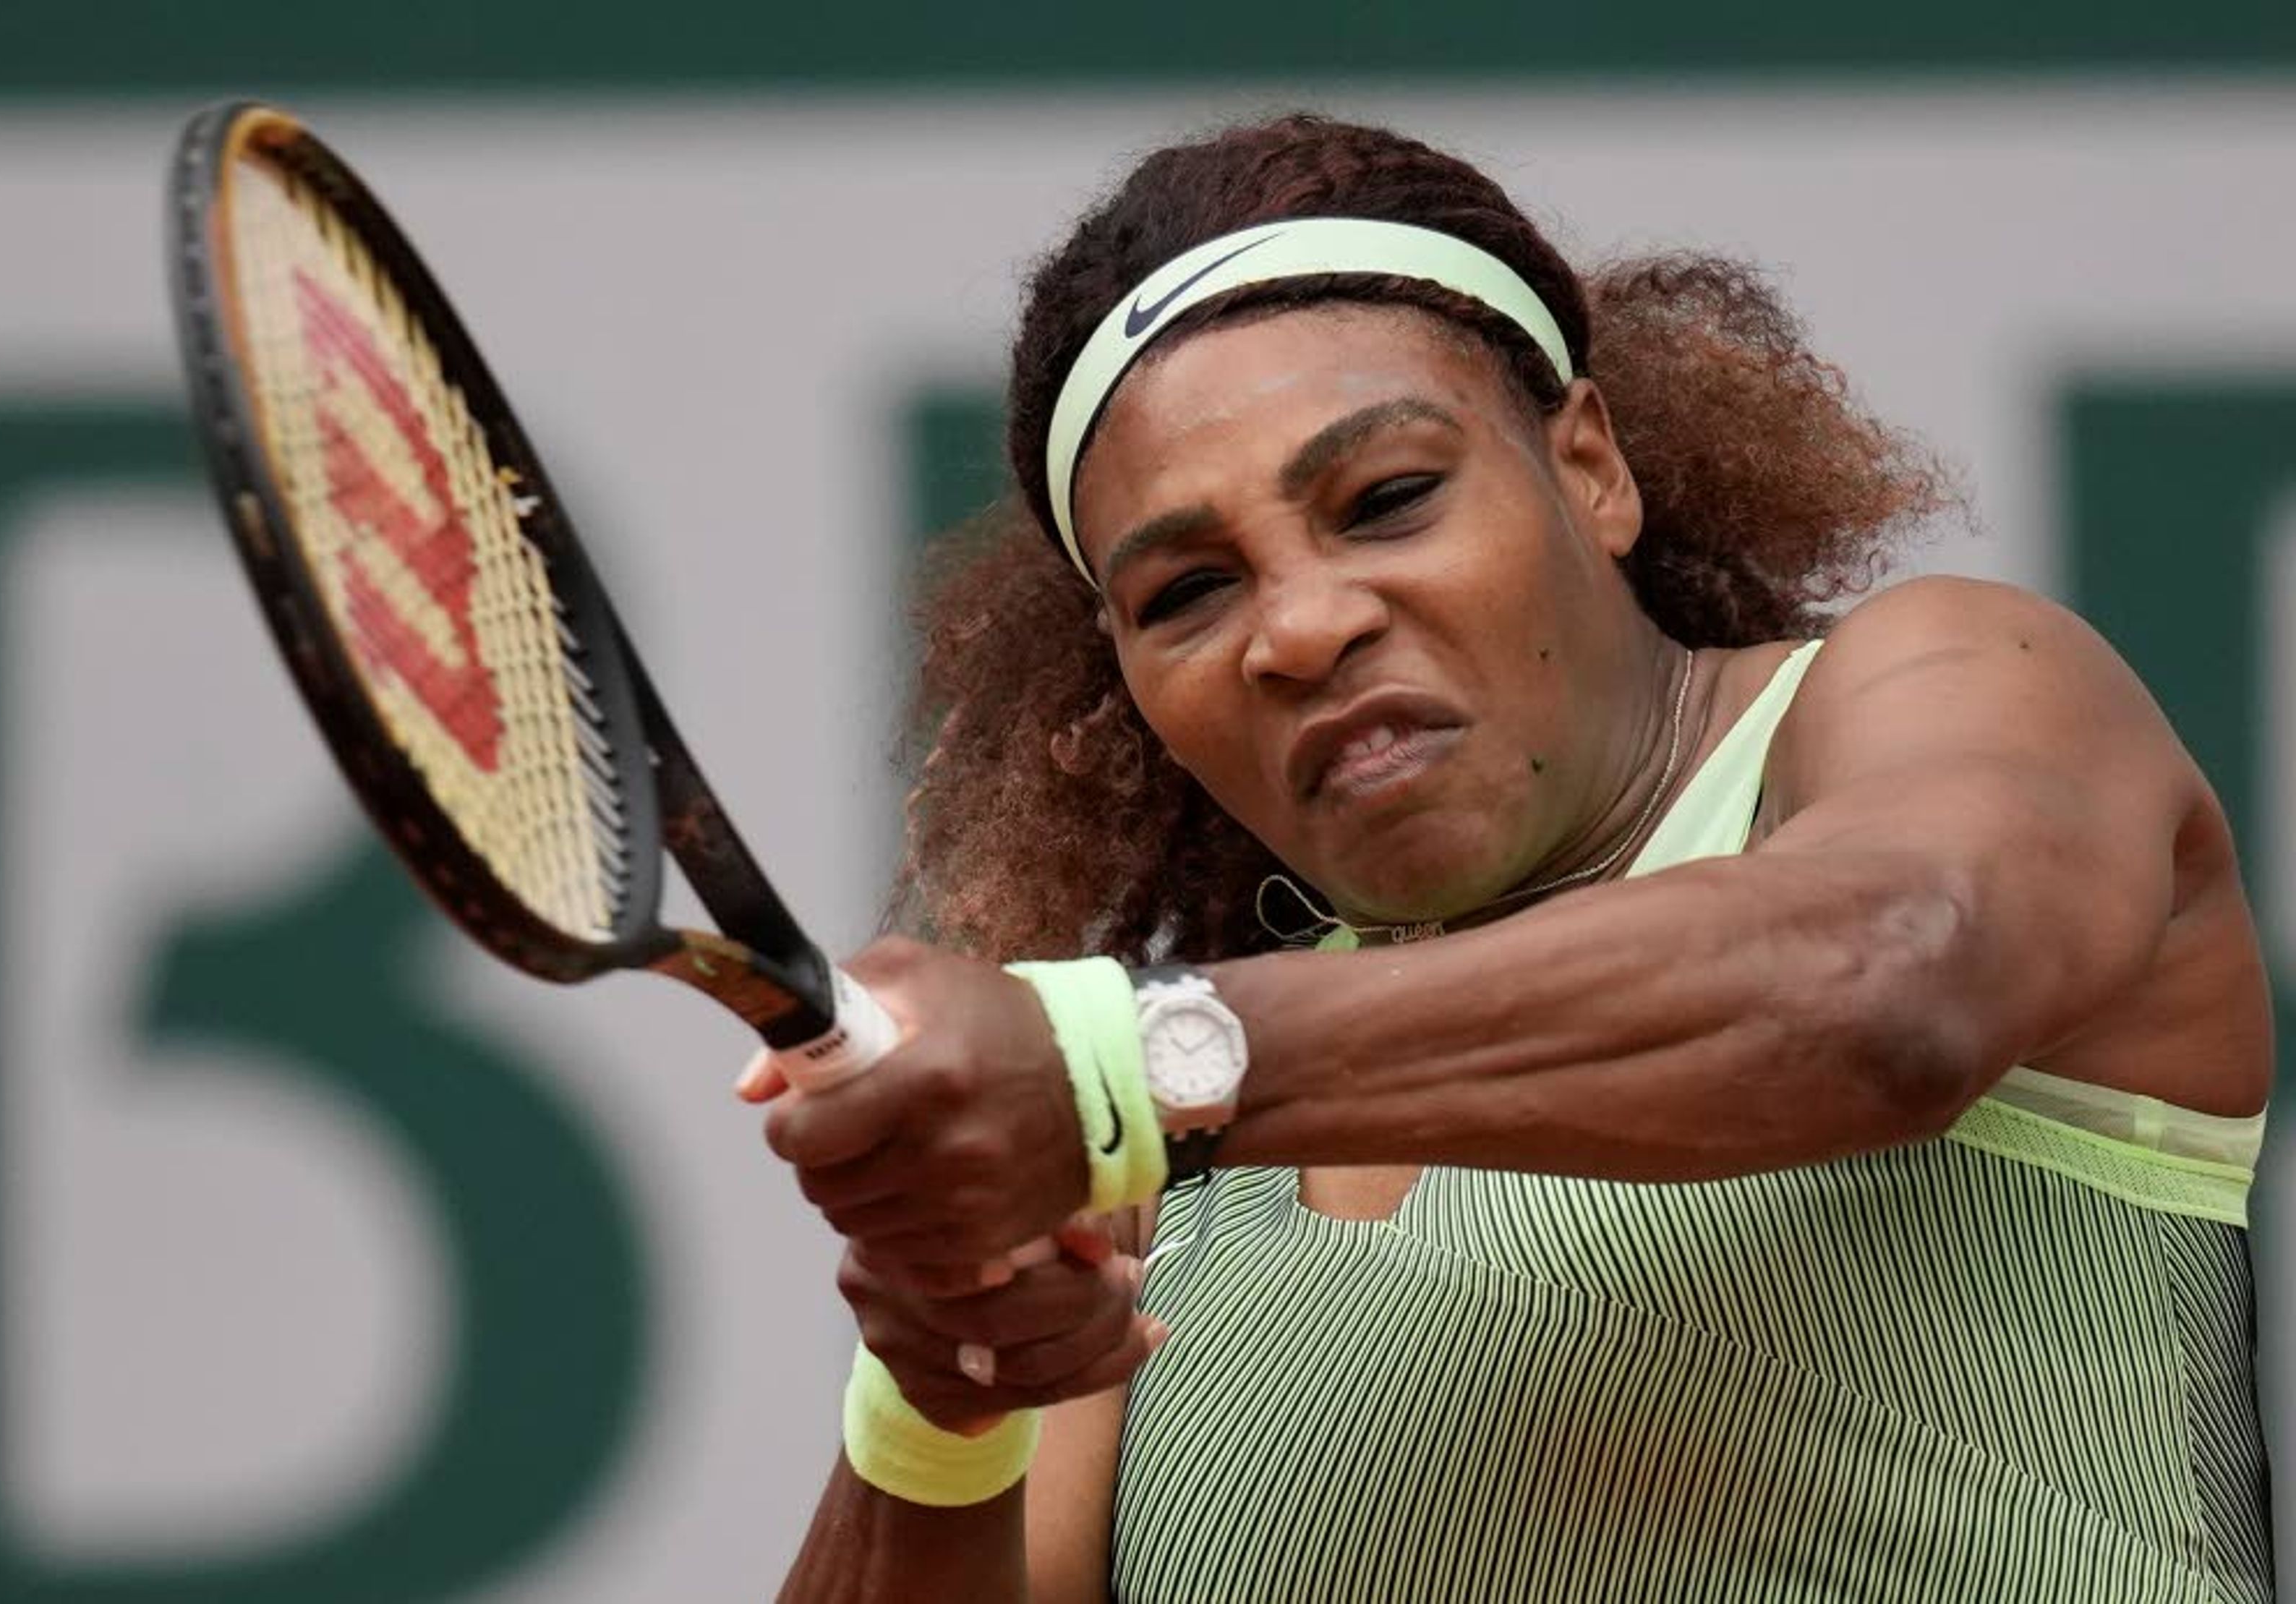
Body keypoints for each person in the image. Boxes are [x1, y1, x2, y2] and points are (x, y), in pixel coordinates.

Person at [746, 114, 2275, 1602]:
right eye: (1189, 591)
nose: (1299, 626)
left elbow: (1891, 980)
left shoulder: (1951, 682)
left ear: (1590, 466)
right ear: (1129, 679)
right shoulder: (1144, 1191)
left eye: (1388, 498)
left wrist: (1117, 1065)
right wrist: (941, 1394)